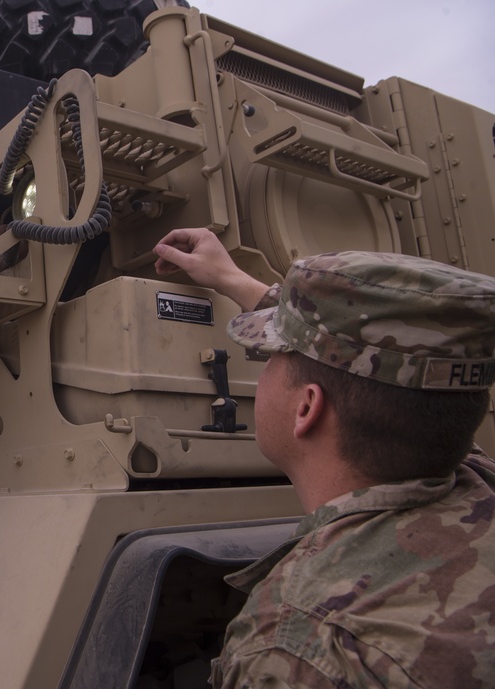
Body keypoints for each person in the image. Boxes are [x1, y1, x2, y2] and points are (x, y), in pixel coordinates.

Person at [154, 228, 495, 689]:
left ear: (307, 407)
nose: (264, 362)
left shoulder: (298, 648)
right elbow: (409, 373)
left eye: (274, 352)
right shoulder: (474, 477)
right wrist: (235, 280)